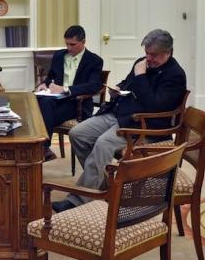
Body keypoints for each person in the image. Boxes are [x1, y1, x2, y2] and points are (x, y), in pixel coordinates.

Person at [52, 29, 187, 213]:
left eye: (153, 55)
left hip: (143, 125)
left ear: (168, 53)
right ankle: (101, 186)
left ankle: (79, 199)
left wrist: (141, 77)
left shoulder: (175, 75)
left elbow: (154, 105)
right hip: (119, 113)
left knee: (103, 144)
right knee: (78, 134)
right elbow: (128, 83)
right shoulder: (142, 63)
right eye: (146, 53)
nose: (148, 58)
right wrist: (118, 88)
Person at [35, 25, 103, 161]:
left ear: (83, 42)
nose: (69, 48)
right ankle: (43, 149)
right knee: (37, 102)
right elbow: (51, 77)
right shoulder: (59, 55)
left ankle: (42, 148)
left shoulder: (94, 60)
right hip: (56, 100)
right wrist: (45, 84)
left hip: (77, 103)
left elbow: (94, 85)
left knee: (42, 110)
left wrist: (66, 89)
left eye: (73, 44)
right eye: (67, 44)